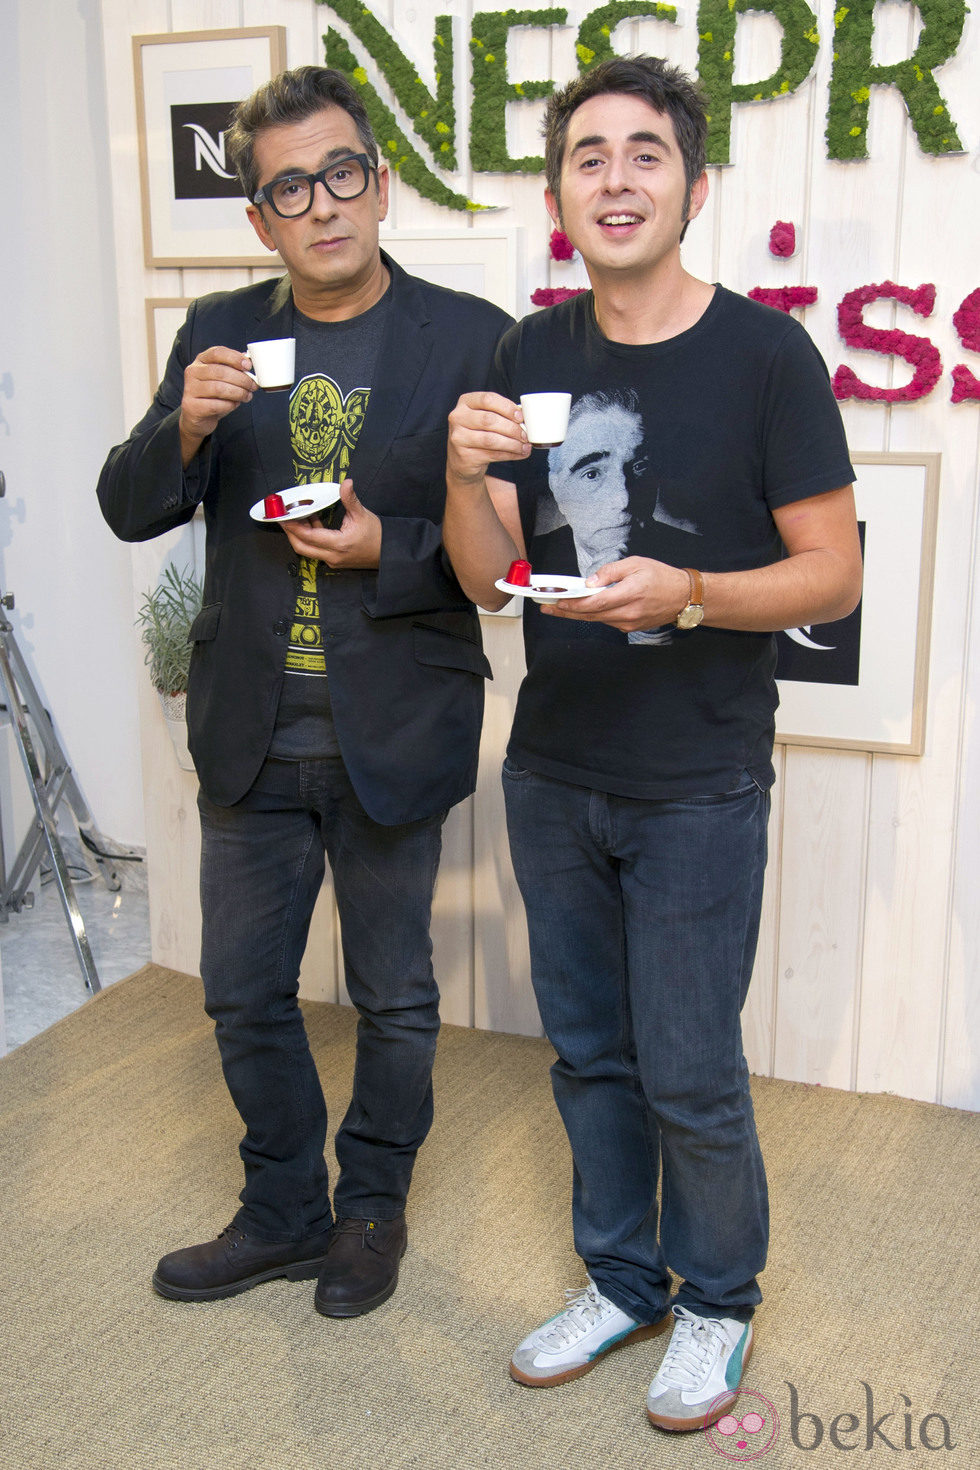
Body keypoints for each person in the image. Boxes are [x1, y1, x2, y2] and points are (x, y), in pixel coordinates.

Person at [442, 56, 862, 1431]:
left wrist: (690, 594)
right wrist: (461, 476)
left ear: (692, 182)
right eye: (587, 156)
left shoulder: (765, 355)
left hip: (698, 775)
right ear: (559, 188)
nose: (614, 178)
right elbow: (484, 576)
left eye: (643, 154)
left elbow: (835, 572)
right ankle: (623, 1279)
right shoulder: (528, 350)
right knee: (588, 1053)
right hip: (555, 766)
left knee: (687, 1059)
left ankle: (719, 1297)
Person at [98, 65, 511, 1318]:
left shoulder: (468, 335)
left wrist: (394, 545)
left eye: (342, 174)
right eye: (290, 188)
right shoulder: (218, 329)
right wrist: (180, 424)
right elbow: (127, 506)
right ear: (261, 220)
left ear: (377, 185)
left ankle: (370, 1209)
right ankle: (282, 1207)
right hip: (251, 727)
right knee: (240, 991)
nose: (323, 204)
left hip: (395, 720)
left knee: (391, 993)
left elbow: (511, 548)